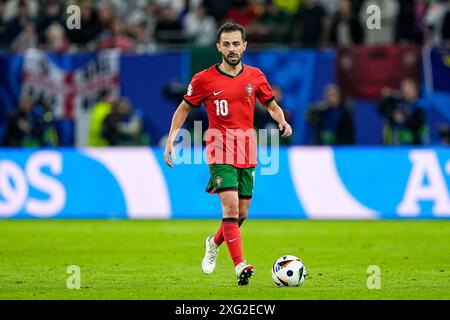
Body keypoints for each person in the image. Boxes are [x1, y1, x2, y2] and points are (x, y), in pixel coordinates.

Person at [163, 22, 292, 286]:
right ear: (218, 47)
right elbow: (183, 109)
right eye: (227, 44)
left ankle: (213, 242)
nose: (232, 49)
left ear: (244, 46)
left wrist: (282, 121)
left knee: (241, 214)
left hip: (247, 148)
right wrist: (171, 139)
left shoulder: (255, 76)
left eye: (236, 44)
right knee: (230, 207)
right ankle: (239, 265)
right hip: (219, 148)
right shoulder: (203, 79)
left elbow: (272, 105)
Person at [377, 78, 429, 145]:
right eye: (403, 88)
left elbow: (417, 124)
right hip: (399, 145)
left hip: (417, 145)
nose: (406, 91)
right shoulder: (399, 102)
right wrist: (387, 96)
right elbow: (381, 110)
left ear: (415, 90)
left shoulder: (420, 105)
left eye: (409, 88)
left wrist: (403, 120)